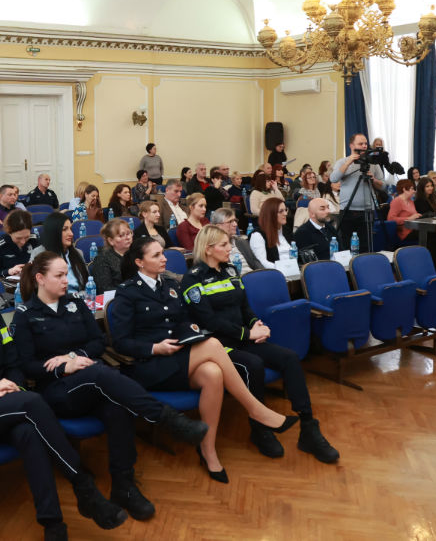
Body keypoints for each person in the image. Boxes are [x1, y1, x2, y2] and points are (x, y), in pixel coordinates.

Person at [0, 262, 126, 538]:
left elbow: (13, 365)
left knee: (28, 432)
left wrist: (11, 387)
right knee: (32, 402)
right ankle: (83, 487)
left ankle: (53, 526)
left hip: (5, 405)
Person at [12, 252, 208, 522]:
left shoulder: (75, 303)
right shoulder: (25, 315)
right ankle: (165, 418)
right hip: (58, 391)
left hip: (92, 382)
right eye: (59, 276)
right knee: (99, 373)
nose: (66, 280)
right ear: (40, 279)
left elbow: (98, 342)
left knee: (117, 407)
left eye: (66, 274)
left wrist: (74, 356)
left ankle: (124, 486)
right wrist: (63, 367)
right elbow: (26, 366)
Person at [111, 238, 298, 483]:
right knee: (212, 344)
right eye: (156, 255)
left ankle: (208, 450)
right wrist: (155, 348)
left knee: (213, 373)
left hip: (178, 357)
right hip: (150, 365)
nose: (164, 258)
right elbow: (120, 342)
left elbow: (182, 320)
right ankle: (256, 409)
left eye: (162, 253)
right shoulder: (127, 292)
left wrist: (191, 331)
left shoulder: (169, 285)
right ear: (139, 262)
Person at [182, 225, 339, 463]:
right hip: (218, 347)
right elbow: (209, 321)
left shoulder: (230, 270)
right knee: (253, 364)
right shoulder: (192, 279)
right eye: (224, 245)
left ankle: (308, 427)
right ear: (208, 249)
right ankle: (260, 429)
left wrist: (256, 324)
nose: (230, 248)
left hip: (244, 337)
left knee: (289, 358)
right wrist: (248, 334)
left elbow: (244, 307)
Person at [330, 133, 386, 254]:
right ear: (351, 145)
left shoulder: (373, 163)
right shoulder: (342, 162)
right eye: (360, 143)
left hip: (368, 211)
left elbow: (383, 186)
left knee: (366, 247)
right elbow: (333, 178)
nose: (364, 146)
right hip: (348, 210)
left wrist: (374, 180)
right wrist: (348, 162)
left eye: (365, 143)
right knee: (346, 247)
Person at [35, 212, 89, 294]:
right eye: (65, 229)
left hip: (80, 298)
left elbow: (88, 284)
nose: (71, 234)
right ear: (54, 232)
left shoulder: (78, 253)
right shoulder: (40, 254)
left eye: (70, 229)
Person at [248, 198, 298, 277]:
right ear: (270, 214)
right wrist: (283, 270)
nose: (285, 214)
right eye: (281, 211)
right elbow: (261, 262)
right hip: (274, 275)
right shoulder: (258, 235)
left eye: (286, 210)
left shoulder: (286, 231)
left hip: (293, 272)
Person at [0, 210, 40, 277]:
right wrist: (8, 271)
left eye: (26, 237)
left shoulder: (34, 240)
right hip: (7, 281)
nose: (23, 241)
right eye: (18, 238)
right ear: (9, 232)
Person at [89, 218, 133, 291]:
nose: (128, 238)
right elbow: (105, 289)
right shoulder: (102, 259)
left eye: (129, 233)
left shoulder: (135, 253)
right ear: (111, 241)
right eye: (121, 235)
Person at [210, 207, 260, 272]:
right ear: (218, 226)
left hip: (253, 276)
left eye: (235, 220)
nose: (235, 224)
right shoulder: (215, 248)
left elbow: (256, 264)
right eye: (230, 222)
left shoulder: (241, 242)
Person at [387, 180, 421, 244]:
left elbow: (414, 216)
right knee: (427, 233)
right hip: (405, 232)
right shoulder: (397, 201)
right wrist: (408, 218)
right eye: (412, 189)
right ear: (404, 189)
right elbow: (390, 219)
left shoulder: (410, 201)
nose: (414, 191)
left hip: (413, 228)